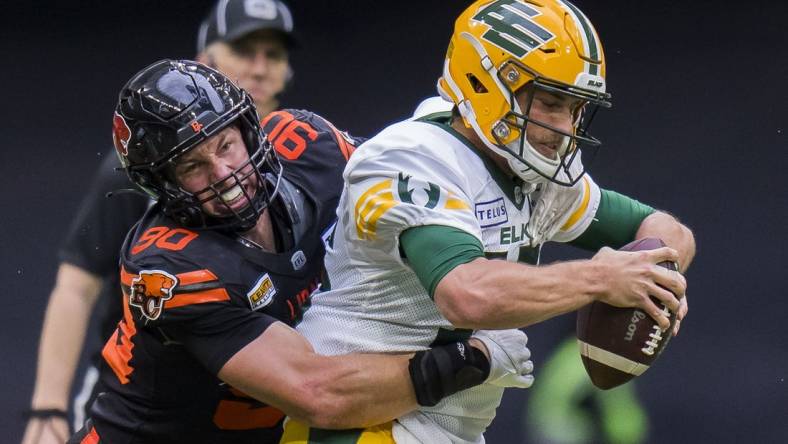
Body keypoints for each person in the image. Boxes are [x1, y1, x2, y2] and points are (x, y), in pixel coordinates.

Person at [66, 59, 533, 444]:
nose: (224, 172)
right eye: (193, 165)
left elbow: (410, 187)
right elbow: (319, 394)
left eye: (225, 144)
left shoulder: (312, 150)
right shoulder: (174, 266)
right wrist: (474, 360)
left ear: (248, 129)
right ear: (162, 186)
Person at [291, 0, 696, 442]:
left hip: (436, 426)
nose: (565, 126)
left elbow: (668, 231)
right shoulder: (413, 156)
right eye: (551, 102)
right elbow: (466, 294)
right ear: (483, 83)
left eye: (577, 108)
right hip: (362, 421)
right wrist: (601, 278)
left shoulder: (528, 167)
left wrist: (657, 278)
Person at [22, 2, 298, 443]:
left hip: (254, 389)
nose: (260, 68)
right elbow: (76, 286)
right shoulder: (148, 170)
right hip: (142, 390)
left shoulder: (302, 153)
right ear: (204, 62)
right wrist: (48, 406)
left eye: (274, 54)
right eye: (245, 51)